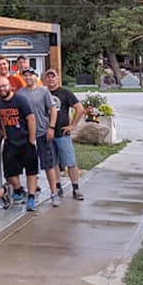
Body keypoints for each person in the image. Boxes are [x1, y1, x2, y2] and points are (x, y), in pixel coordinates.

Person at [18, 69, 60, 206]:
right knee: (31, 167)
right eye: (25, 75)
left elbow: (52, 109)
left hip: (43, 132)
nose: (28, 77)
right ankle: (33, 193)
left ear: (36, 77)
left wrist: (51, 127)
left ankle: (54, 193)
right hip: (28, 135)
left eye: (31, 75)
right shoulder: (20, 93)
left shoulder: (44, 91)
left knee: (48, 165)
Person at [0, 76, 38, 211]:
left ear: (10, 86)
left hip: (25, 140)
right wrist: (5, 134)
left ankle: (31, 197)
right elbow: (1, 119)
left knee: (31, 171)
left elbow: (31, 119)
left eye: (4, 86)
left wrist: (31, 140)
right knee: (9, 173)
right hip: (10, 142)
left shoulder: (20, 100)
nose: (2, 89)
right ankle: (19, 190)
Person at [44, 68, 85, 201]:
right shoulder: (43, 93)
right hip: (48, 134)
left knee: (70, 161)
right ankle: (57, 186)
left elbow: (79, 109)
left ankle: (75, 188)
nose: (51, 79)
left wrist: (72, 125)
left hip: (62, 133)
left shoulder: (65, 93)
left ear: (58, 78)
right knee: (53, 162)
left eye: (53, 76)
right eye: (48, 77)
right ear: (45, 79)